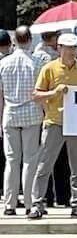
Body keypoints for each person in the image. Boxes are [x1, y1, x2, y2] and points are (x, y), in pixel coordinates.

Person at [29, 33, 77, 219]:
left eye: (75, 48)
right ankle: (37, 203)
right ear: (59, 49)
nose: (72, 52)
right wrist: (54, 92)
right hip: (54, 122)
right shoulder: (50, 68)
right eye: (68, 48)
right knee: (44, 165)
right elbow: (36, 95)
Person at [0, 27, 44, 215]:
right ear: (30, 40)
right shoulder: (37, 63)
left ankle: (9, 204)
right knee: (30, 160)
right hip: (32, 113)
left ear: (14, 40)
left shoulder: (3, 63)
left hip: (10, 114)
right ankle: (28, 203)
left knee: (11, 161)